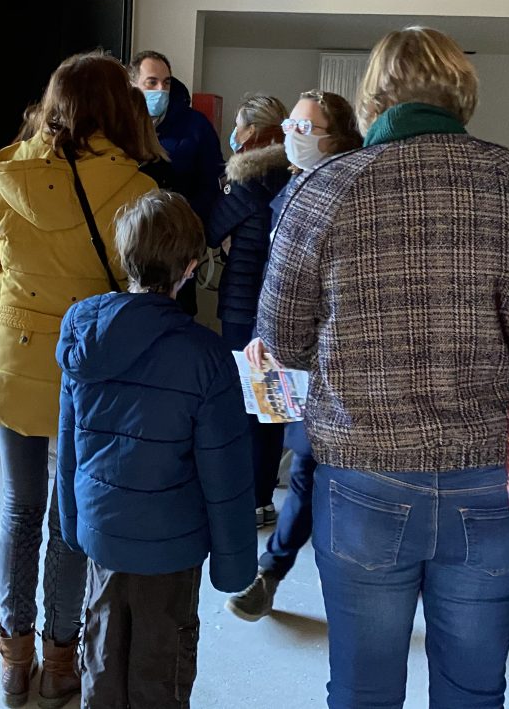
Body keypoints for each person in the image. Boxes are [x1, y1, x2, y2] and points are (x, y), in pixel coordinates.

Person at [256, 28, 509, 709]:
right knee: (474, 689)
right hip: (497, 477)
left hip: (362, 477)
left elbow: (283, 340)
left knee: (363, 686)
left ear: (376, 95)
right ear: (463, 94)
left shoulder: (325, 188)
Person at [0, 52, 157, 709]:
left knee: (19, 508)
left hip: (15, 359)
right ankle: (60, 662)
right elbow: (142, 289)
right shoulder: (134, 187)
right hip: (90, 372)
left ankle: (12, 662)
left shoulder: (5, 170)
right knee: (70, 519)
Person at [57, 189, 256, 709]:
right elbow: (227, 473)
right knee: (159, 667)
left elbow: (71, 444)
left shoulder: (82, 331)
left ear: (125, 258)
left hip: (102, 530)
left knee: (101, 652)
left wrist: (72, 522)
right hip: (171, 546)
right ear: (190, 266)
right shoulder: (206, 357)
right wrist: (235, 566)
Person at [227, 89, 362, 622]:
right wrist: (267, 329)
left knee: (334, 478)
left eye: (305, 129)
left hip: (344, 361)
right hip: (293, 356)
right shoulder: (290, 186)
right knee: (305, 468)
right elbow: (278, 277)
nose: (291, 136)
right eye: (289, 125)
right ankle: (271, 573)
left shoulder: (352, 192)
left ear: (338, 138)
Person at [207, 94, 290, 527]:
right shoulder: (293, 175)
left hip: (242, 304)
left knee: (242, 402)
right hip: (279, 305)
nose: (234, 135)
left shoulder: (245, 177)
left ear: (252, 132)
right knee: (271, 406)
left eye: (239, 127)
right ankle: (262, 498)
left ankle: (242, 500)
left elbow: (211, 228)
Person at [129, 50, 222, 225]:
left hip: (180, 232)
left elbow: (212, 181)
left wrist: (187, 220)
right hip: (127, 231)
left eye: (166, 83)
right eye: (152, 82)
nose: (161, 90)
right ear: (132, 85)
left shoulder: (196, 125)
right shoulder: (117, 126)